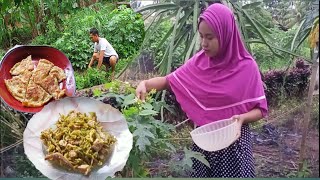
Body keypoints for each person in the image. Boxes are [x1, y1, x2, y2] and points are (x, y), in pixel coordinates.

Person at [135, 3, 268, 178]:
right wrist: (145, 83)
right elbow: (169, 80)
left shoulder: (247, 67)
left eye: (210, 37)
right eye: (201, 36)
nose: (204, 43)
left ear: (225, 34)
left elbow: (260, 109)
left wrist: (242, 118)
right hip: (205, 145)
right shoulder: (199, 62)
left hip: (234, 147)